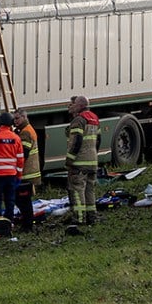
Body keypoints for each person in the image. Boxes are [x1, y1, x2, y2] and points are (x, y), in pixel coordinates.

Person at [64, 94, 101, 230]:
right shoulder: (95, 119)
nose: (70, 106)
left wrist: (69, 160)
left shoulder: (79, 121)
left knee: (77, 190)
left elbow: (76, 141)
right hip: (92, 161)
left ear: (79, 105)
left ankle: (79, 218)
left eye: (72, 104)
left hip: (79, 163)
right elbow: (98, 140)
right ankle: (92, 216)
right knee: (90, 190)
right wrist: (94, 155)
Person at [0, 113, 25, 224]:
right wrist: (19, 176)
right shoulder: (16, 138)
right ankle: (9, 221)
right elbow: (20, 159)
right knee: (10, 199)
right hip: (11, 175)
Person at [13, 108, 40, 230]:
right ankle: (27, 223)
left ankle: (27, 225)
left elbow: (23, 153)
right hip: (29, 172)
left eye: (17, 118)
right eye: (14, 118)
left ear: (24, 117)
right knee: (24, 200)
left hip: (26, 173)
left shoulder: (25, 133)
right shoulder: (26, 130)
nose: (15, 121)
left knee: (23, 200)